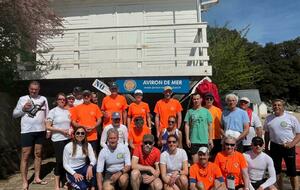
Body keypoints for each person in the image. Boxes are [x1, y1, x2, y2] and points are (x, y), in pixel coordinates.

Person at [13, 81, 49, 190]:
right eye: (32, 89)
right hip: (27, 131)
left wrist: (48, 130)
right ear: (29, 89)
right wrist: (23, 109)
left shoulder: (43, 99)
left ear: (39, 89)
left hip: (41, 130)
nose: (34, 91)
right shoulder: (22, 99)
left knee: (38, 154)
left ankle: (37, 178)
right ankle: (25, 181)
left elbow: (48, 115)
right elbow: (14, 114)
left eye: (36, 89)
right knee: (25, 155)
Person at [264, 99, 300, 190]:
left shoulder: (291, 118)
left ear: (283, 107)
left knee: (292, 172)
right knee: (276, 172)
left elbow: (299, 134)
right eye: (275, 105)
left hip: (288, 147)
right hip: (274, 146)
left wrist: (291, 144)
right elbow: (267, 134)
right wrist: (267, 147)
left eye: (279, 105)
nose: (277, 107)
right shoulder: (269, 118)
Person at [46, 93, 71, 190]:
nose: (62, 101)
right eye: (60, 99)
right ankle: (56, 184)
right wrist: (60, 130)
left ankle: (65, 182)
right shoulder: (53, 111)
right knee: (60, 161)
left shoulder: (67, 111)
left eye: (64, 99)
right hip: (58, 139)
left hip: (68, 139)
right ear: (56, 100)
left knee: (67, 161)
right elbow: (48, 126)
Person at [184, 93, 213, 164]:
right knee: (195, 162)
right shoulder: (189, 112)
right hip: (193, 140)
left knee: (204, 162)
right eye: (194, 99)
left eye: (197, 99)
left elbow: (210, 125)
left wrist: (210, 139)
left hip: (204, 140)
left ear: (201, 100)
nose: (196, 100)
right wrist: (187, 139)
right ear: (192, 100)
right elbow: (187, 125)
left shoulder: (206, 111)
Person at [203, 92, 222, 160]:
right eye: (207, 99)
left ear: (213, 100)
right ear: (204, 100)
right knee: (206, 156)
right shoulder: (202, 110)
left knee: (216, 156)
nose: (209, 100)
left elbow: (222, 124)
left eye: (211, 99)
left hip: (216, 137)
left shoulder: (218, 110)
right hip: (205, 137)